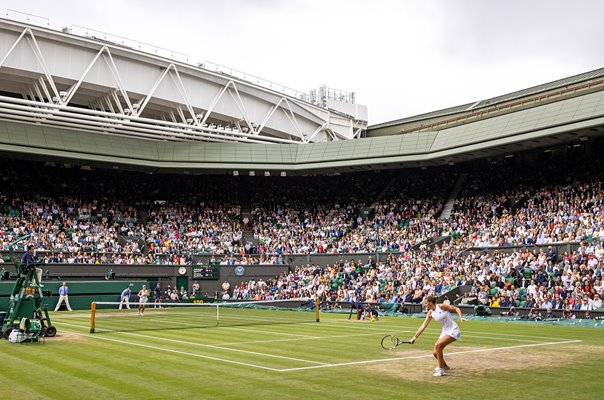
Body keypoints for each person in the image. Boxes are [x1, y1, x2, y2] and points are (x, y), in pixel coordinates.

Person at [409, 295, 465, 377]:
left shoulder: (441, 306)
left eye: (426, 303)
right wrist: (414, 337)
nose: (425, 305)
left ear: (431, 303)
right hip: (445, 331)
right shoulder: (430, 312)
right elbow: (423, 326)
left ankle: (441, 369)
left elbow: (456, 308)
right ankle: (445, 366)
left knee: (437, 345)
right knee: (435, 353)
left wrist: (460, 317)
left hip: (454, 330)